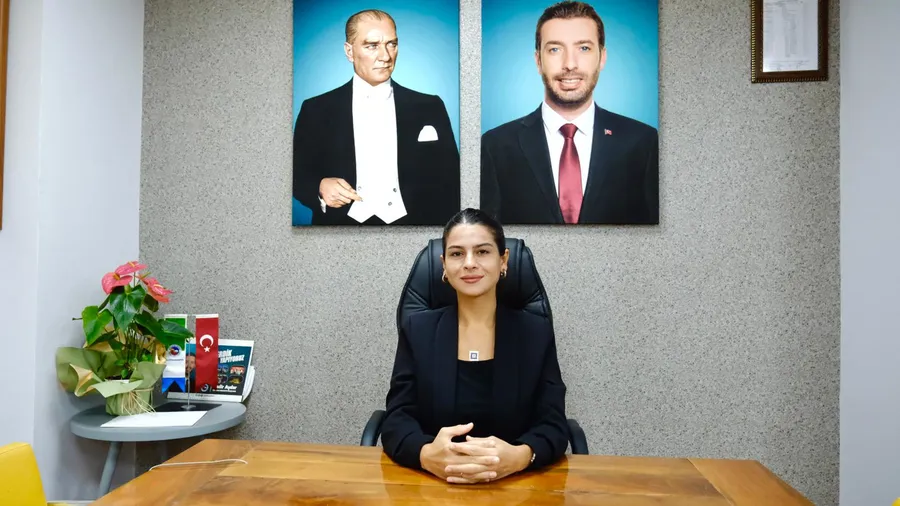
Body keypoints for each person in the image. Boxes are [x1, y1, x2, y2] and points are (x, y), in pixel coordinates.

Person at [380, 208, 569, 484]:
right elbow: (397, 418)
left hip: (517, 486)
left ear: (503, 260)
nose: (469, 263)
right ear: (444, 264)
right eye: (457, 254)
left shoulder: (534, 332)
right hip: (433, 486)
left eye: (482, 252)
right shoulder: (418, 330)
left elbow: (553, 423)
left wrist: (520, 456)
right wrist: (426, 455)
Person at [480, 1, 659, 225]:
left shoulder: (643, 142)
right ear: (538, 61)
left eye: (583, 48)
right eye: (555, 49)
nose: (570, 64)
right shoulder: (494, 146)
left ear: (602, 57)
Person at [292, 9, 460, 226]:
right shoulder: (315, 109)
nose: (386, 56)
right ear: (349, 51)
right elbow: (295, 175)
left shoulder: (430, 106)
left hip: (417, 227)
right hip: (339, 229)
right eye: (372, 45)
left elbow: (453, 179)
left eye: (392, 44)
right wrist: (319, 187)